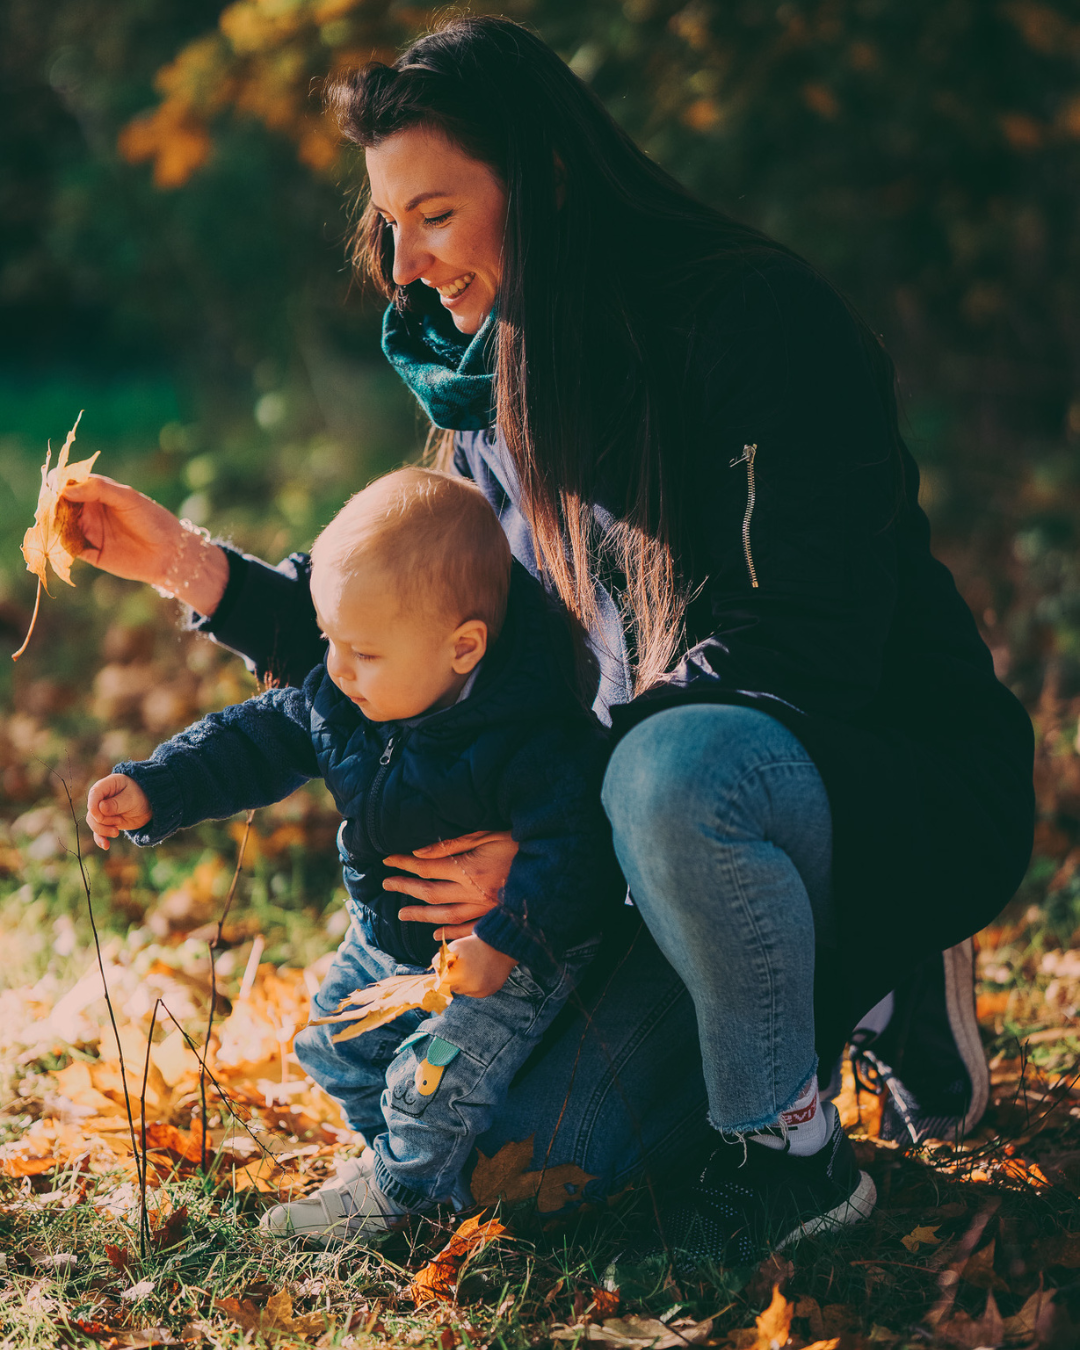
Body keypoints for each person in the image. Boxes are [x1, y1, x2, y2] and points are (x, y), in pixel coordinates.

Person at [63, 15, 1035, 1266]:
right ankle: (820, 995)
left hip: (861, 788)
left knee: (669, 771)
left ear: (551, 182)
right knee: (525, 1160)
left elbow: (804, 650)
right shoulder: (503, 374)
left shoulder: (754, 322)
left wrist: (553, 845)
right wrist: (185, 565)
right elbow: (413, 625)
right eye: (390, 223)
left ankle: (815, 1101)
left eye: (438, 215)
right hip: (640, 842)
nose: (406, 264)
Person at [85, 468, 623, 1243]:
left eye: (361, 652)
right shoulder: (350, 696)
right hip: (386, 940)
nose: (335, 668)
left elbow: (575, 850)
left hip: (500, 961)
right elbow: (254, 740)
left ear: (463, 648)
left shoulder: (536, 735)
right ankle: (406, 1175)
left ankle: (397, 1195)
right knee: (335, 1045)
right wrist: (157, 787)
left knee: (433, 1080)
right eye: (330, 638)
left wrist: (506, 941)